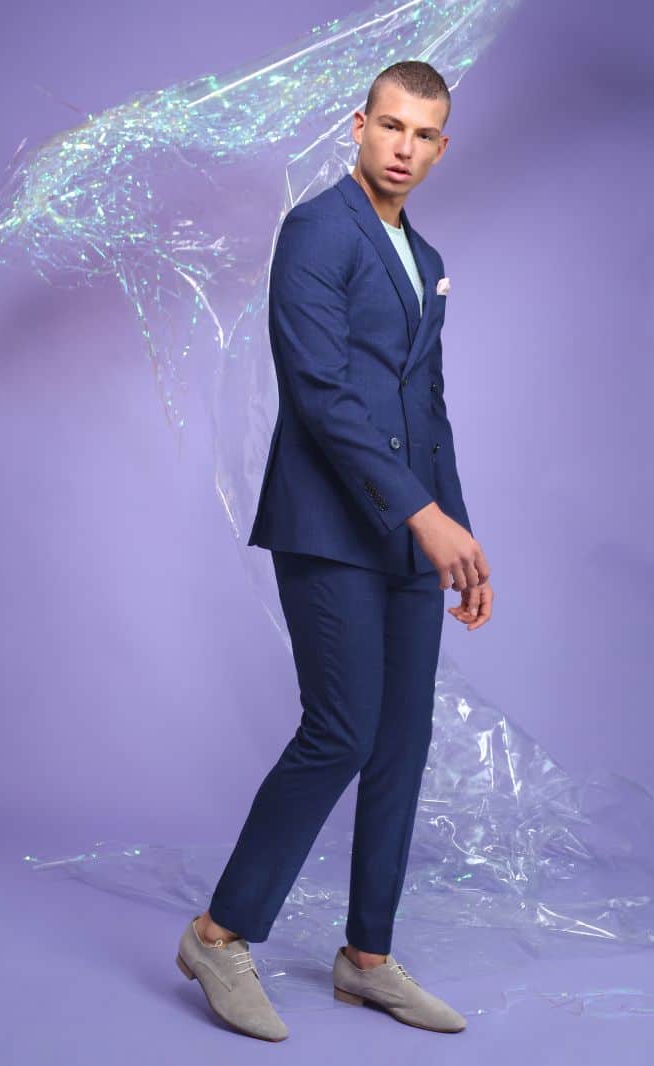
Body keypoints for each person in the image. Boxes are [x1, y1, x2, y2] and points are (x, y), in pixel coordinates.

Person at [175, 60, 493, 1041]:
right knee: (342, 730)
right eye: (390, 126)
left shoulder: (423, 253)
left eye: (423, 134)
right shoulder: (318, 229)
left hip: (409, 530)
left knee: (401, 740)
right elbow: (318, 392)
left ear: (440, 147)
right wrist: (421, 514)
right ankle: (218, 935)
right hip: (328, 521)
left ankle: (367, 958)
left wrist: (456, 532)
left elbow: (426, 405)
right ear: (359, 126)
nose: (403, 147)